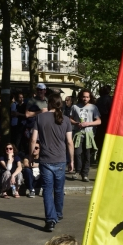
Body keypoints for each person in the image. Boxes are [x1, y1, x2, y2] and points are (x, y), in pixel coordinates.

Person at [30, 93, 74, 232]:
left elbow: (33, 140)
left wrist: (31, 156)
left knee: (47, 190)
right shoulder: (66, 120)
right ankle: (58, 214)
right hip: (60, 159)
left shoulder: (40, 118)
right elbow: (69, 142)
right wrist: (71, 160)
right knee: (59, 189)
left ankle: (50, 220)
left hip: (45, 159)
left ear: (48, 103)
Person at [70, 89, 101, 182]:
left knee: (87, 155)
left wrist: (88, 124)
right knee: (77, 153)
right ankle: (77, 171)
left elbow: (99, 121)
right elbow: (69, 119)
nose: (85, 99)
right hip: (78, 134)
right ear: (80, 97)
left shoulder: (93, 107)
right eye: (84, 97)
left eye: (87, 97)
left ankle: (85, 174)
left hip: (89, 134)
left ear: (90, 97)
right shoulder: (75, 107)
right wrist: (76, 123)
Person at [95, 85, 113, 158]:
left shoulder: (99, 100)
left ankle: (99, 154)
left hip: (100, 121)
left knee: (100, 139)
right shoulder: (110, 99)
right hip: (107, 121)